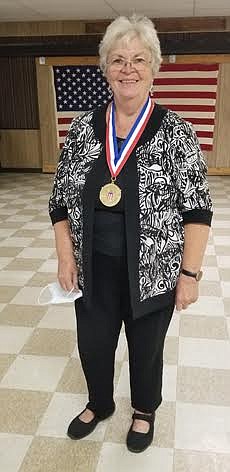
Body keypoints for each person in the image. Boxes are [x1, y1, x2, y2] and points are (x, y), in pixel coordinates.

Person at [49, 14, 213, 453]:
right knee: (94, 343)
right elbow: (59, 203)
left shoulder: (177, 131)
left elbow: (198, 210)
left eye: (139, 59)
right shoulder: (83, 129)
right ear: (105, 68)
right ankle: (99, 403)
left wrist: (190, 274)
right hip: (93, 271)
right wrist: (66, 258)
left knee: (146, 350)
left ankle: (143, 410)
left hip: (153, 272)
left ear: (153, 67)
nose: (128, 69)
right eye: (118, 60)